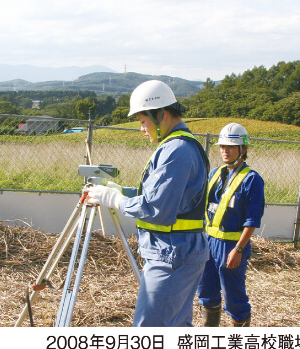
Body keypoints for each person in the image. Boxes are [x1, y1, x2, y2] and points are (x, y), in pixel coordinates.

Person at [86, 80, 210, 327]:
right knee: (175, 325)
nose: (142, 129)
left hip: (172, 255)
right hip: (177, 251)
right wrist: (122, 191)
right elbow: (168, 197)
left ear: (161, 114)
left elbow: (158, 208)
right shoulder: (177, 146)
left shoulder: (177, 150)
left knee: (150, 329)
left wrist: (116, 199)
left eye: (143, 121)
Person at [197, 123, 265, 327]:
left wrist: (239, 249)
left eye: (230, 147)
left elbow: (252, 221)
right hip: (208, 243)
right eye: (222, 146)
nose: (225, 151)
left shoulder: (252, 180)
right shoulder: (216, 173)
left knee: (235, 299)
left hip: (231, 246)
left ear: (243, 149)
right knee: (206, 292)